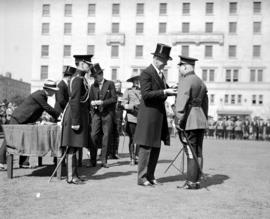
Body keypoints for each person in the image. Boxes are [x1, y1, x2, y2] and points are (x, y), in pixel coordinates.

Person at [134, 43, 177, 187]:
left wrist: (170, 89)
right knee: (146, 147)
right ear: (157, 58)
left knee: (156, 146)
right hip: (148, 116)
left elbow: (160, 93)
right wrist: (165, 92)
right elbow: (146, 95)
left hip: (158, 116)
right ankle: (142, 177)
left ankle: (150, 176)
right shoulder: (146, 73)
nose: (166, 63)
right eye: (164, 60)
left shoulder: (160, 74)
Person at [0, 80, 60, 169]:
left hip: (24, 120)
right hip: (18, 118)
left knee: (25, 141)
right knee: (9, 140)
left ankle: (23, 162)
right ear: (49, 89)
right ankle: (0, 161)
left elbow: (39, 110)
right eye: (54, 90)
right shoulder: (39, 95)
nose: (55, 92)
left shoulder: (42, 95)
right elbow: (46, 108)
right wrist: (59, 116)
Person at [175, 55, 208, 189]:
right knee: (198, 150)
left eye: (180, 67)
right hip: (200, 119)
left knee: (190, 150)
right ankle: (197, 180)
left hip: (189, 120)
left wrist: (178, 118)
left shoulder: (186, 80)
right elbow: (206, 104)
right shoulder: (201, 81)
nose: (179, 70)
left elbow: (181, 101)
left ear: (186, 67)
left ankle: (191, 181)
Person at [61, 66, 90, 184]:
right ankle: (70, 176)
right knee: (72, 146)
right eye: (88, 64)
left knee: (76, 146)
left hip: (77, 115)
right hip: (74, 116)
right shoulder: (77, 79)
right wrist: (76, 121)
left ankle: (74, 174)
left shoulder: (80, 79)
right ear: (82, 64)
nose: (90, 66)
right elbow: (75, 100)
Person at [89, 63, 117, 168]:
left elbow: (114, 99)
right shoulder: (93, 86)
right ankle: (92, 160)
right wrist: (92, 104)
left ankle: (104, 160)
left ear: (101, 74)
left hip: (107, 114)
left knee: (106, 136)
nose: (95, 79)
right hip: (96, 114)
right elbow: (91, 99)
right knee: (93, 135)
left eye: (96, 76)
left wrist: (102, 102)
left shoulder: (110, 84)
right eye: (94, 77)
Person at [122, 72, 141, 165]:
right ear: (133, 81)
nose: (138, 81)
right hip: (132, 117)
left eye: (139, 79)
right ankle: (132, 158)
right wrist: (132, 106)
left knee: (141, 138)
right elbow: (122, 104)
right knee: (133, 138)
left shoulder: (144, 91)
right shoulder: (128, 91)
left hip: (142, 118)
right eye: (136, 80)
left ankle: (137, 156)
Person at [108, 80, 123, 160]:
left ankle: (115, 152)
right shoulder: (110, 94)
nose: (118, 87)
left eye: (119, 86)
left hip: (119, 117)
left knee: (117, 135)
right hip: (110, 115)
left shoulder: (122, 95)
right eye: (116, 86)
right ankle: (109, 152)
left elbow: (124, 106)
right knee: (109, 134)